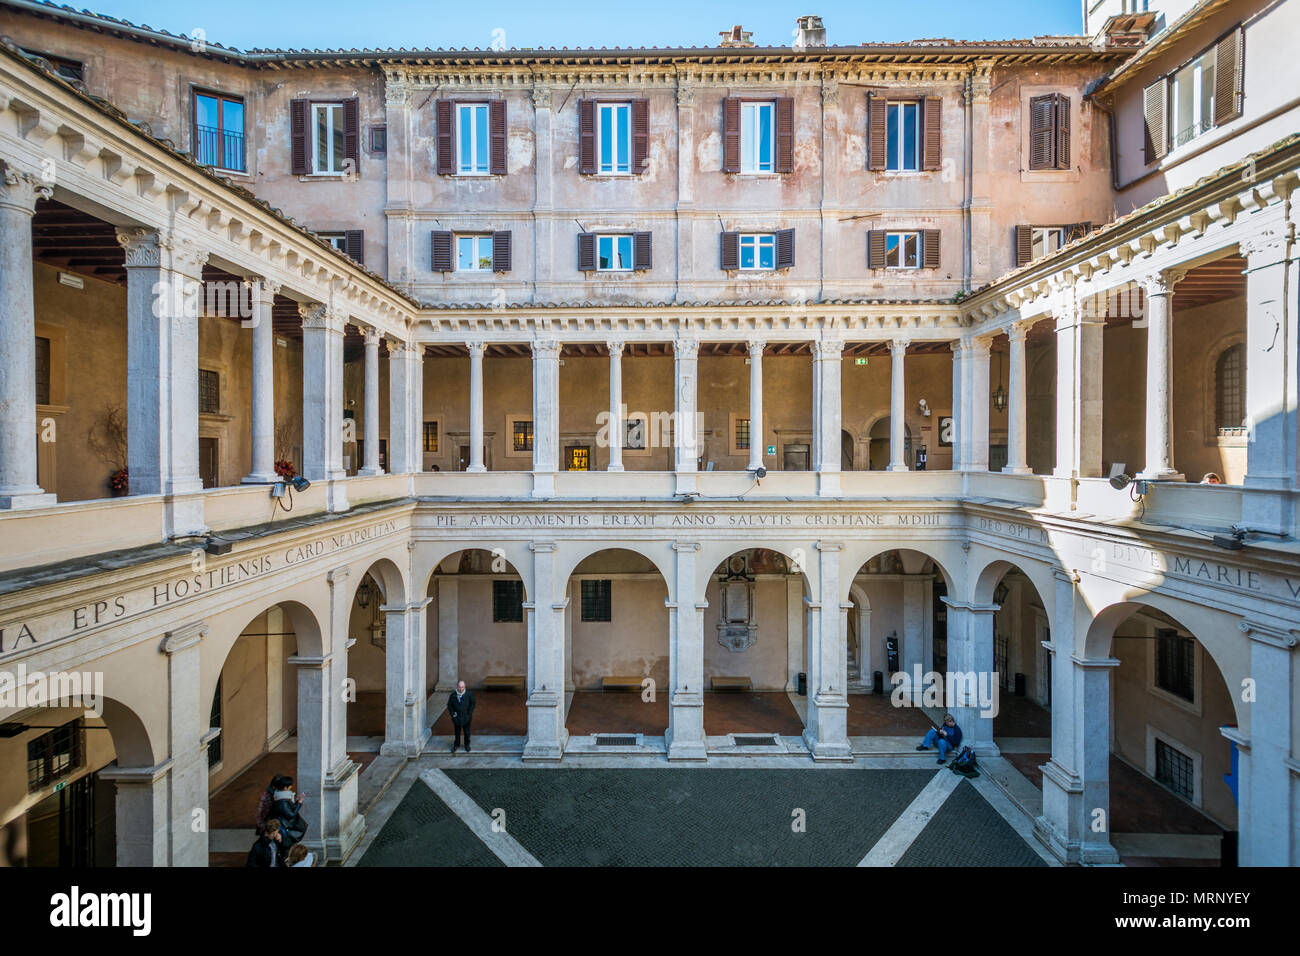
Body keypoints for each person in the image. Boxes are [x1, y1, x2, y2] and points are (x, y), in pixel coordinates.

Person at [267, 775, 308, 849]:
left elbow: (288, 810)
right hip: (287, 828)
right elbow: (291, 814)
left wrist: (296, 801)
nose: (291, 787)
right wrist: (299, 803)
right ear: (285, 787)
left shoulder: (280, 796)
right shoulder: (282, 801)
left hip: (285, 826)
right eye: (290, 786)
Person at [448, 679, 476, 754]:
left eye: (462, 687)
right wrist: (453, 713)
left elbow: (473, 703)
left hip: (466, 717)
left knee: (467, 732)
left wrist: (469, 713)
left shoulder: (469, 694)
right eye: (459, 687)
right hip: (457, 718)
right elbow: (449, 705)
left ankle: (467, 744)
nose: (461, 689)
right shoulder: (453, 695)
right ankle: (456, 744)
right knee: (457, 732)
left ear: (465, 687)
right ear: (457, 687)